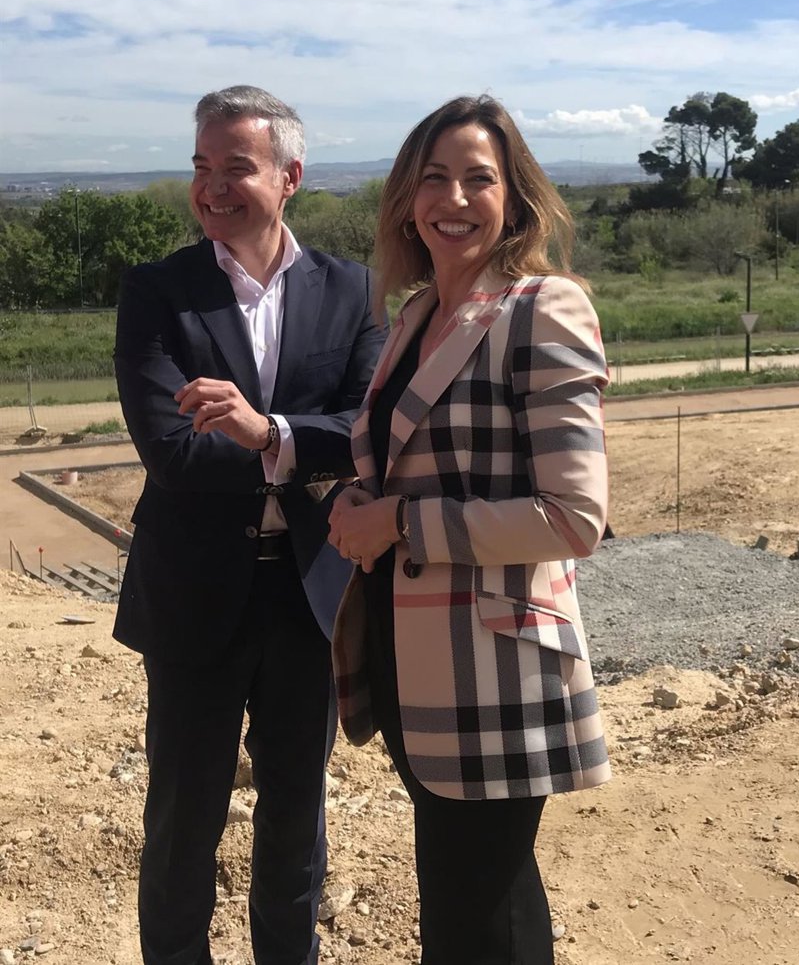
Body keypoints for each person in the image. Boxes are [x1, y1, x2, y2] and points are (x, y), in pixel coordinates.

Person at [327, 95, 610, 964]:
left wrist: (399, 523)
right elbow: (408, 461)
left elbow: (573, 517)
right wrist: (356, 500)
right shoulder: (415, 314)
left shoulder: (543, 308)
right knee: (466, 902)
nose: (453, 198)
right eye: (433, 178)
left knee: (483, 914)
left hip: (495, 667)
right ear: (407, 199)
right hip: (408, 656)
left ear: (514, 198)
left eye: (478, 178)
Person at [113, 85, 388, 965]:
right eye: (202, 166)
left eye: (236, 166)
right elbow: (172, 452)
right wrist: (308, 448)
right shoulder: (159, 292)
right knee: (183, 824)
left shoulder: (353, 290)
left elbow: (369, 434)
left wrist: (266, 432)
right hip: (192, 594)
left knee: (297, 824)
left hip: (309, 594)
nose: (211, 187)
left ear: (290, 177)